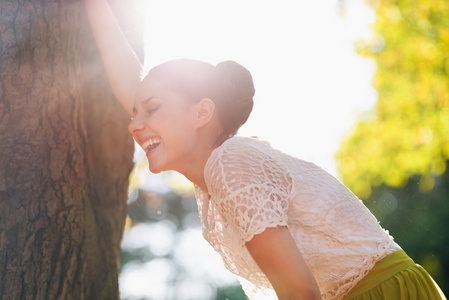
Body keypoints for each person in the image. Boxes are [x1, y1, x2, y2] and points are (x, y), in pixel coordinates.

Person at [84, 1, 447, 299]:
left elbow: (300, 293)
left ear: (202, 112)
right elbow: (130, 84)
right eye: (136, 113)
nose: (134, 124)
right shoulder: (219, 172)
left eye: (152, 108)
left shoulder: (230, 164)